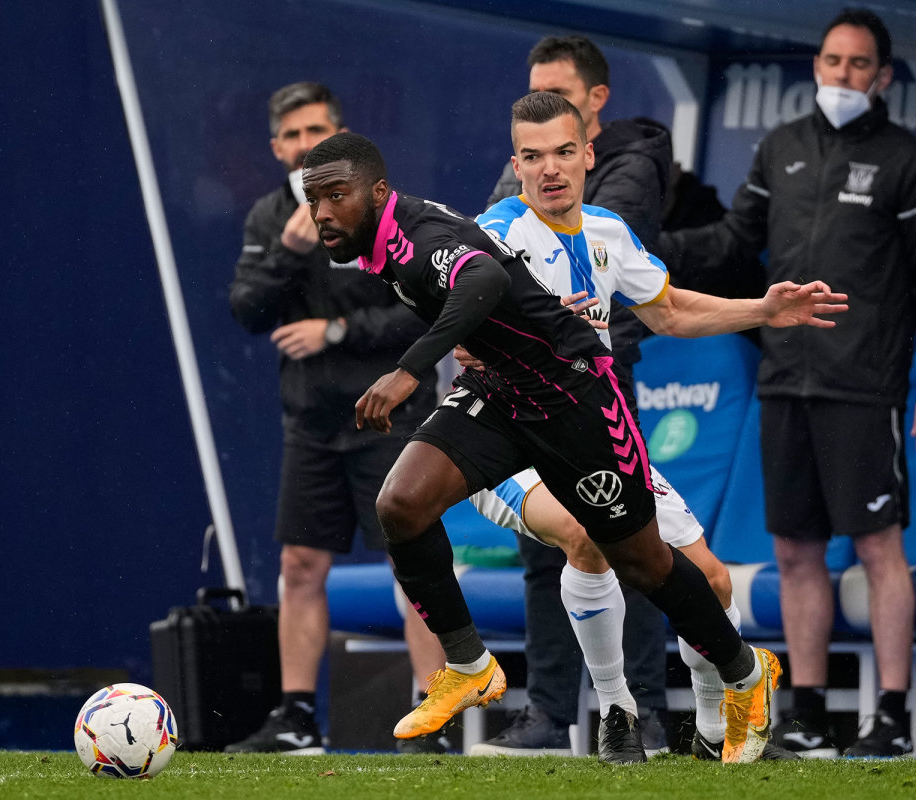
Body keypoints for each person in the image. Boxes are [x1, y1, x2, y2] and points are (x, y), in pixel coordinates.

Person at [300, 129, 848, 763]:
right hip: (501, 395)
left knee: (651, 565)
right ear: (515, 164)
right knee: (400, 503)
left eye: (333, 196)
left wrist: (406, 371)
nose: (321, 213)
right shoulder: (469, 226)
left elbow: (489, 284)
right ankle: (478, 667)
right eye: (314, 200)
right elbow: (478, 291)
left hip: (576, 400)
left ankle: (744, 676)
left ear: (590, 151)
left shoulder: (448, 237)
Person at [665, 8, 916, 758]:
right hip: (783, 381)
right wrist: (646, 248)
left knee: (877, 547)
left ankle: (890, 715)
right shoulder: (782, 147)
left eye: (859, 64)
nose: (843, 75)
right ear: (817, 66)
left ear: (884, 77)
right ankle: (808, 712)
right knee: (796, 551)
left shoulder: (909, 161)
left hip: (864, 384)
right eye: (832, 61)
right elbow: (736, 243)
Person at [464, 93, 796, 763]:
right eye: (534, 157)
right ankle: (617, 711)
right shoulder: (492, 236)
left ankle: (715, 735)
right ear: (516, 165)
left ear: (589, 154)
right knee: (588, 532)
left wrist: (762, 308)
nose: (550, 169)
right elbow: (464, 344)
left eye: (564, 152)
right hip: (507, 443)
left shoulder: (609, 232)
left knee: (712, 581)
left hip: (593, 438)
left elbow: (670, 312)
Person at [224, 82, 445, 755]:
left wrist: (338, 330)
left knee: (416, 566)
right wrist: (291, 253)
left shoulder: (384, 209)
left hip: (391, 417)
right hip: (311, 423)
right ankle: (295, 718)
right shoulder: (270, 218)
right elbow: (247, 311)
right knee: (299, 566)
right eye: (290, 136)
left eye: (315, 131)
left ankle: (432, 717)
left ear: (339, 137)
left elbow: (426, 310)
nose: (303, 146)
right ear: (275, 149)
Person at [478, 34, 679, 757]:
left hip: (599, 376)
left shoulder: (629, 172)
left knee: (630, 538)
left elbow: (581, 255)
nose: (545, 165)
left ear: (594, 107)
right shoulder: (520, 181)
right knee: (551, 545)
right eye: (530, 154)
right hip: (523, 385)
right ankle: (551, 711)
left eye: (560, 101)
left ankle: (643, 712)